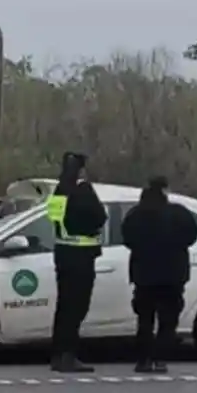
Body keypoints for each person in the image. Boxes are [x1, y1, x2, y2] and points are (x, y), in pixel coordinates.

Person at [121, 176, 197, 373]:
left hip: (144, 275)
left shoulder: (135, 215)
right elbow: (192, 236)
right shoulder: (179, 214)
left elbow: (127, 239)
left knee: (145, 319)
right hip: (173, 274)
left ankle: (144, 360)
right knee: (168, 318)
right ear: (165, 190)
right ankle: (161, 358)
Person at [47, 152, 108, 373]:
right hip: (81, 256)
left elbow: (53, 217)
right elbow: (100, 217)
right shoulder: (84, 191)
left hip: (62, 253)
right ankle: (69, 356)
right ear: (81, 170)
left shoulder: (59, 190)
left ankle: (57, 355)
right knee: (77, 308)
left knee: (63, 307)